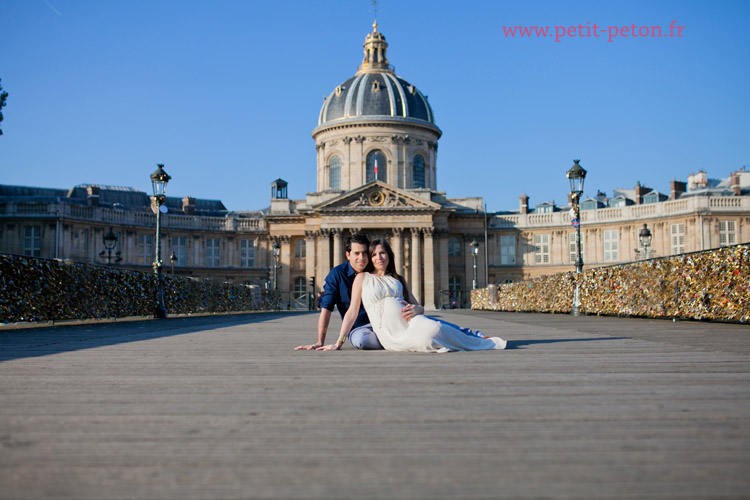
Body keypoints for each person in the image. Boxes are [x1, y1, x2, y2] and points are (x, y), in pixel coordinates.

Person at [319, 238, 507, 352]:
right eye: (374, 254)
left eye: (383, 253)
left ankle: (477, 339)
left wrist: (417, 309)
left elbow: (419, 307)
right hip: (385, 330)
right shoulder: (362, 278)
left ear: (389, 256)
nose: (379, 257)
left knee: (435, 329)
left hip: (409, 322)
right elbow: (351, 311)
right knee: (428, 338)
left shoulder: (397, 278)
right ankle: (469, 337)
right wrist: (338, 342)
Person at [294, 233, 384, 350]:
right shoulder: (337, 275)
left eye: (365, 253)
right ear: (348, 255)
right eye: (356, 253)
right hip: (359, 328)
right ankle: (391, 341)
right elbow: (326, 308)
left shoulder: (377, 270)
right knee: (363, 341)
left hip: (383, 324)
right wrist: (320, 342)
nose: (361, 258)